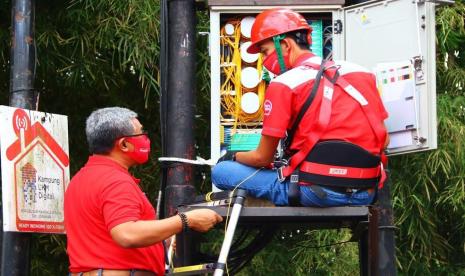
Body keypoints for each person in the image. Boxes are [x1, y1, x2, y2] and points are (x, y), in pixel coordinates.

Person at [212, 8, 390, 207]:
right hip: (365, 193)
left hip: (313, 192)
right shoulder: (361, 73)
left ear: (285, 45)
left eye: (265, 52)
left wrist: (233, 155)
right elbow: (384, 139)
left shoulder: (284, 84)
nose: (263, 61)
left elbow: (262, 158)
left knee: (222, 172)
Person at [65, 107, 222, 276]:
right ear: (124, 144)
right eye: (141, 134)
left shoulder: (80, 179)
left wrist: (162, 239)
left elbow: (104, 238)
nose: (146, 139)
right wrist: (186, 220)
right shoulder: (115, 181)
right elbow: (126, 234)